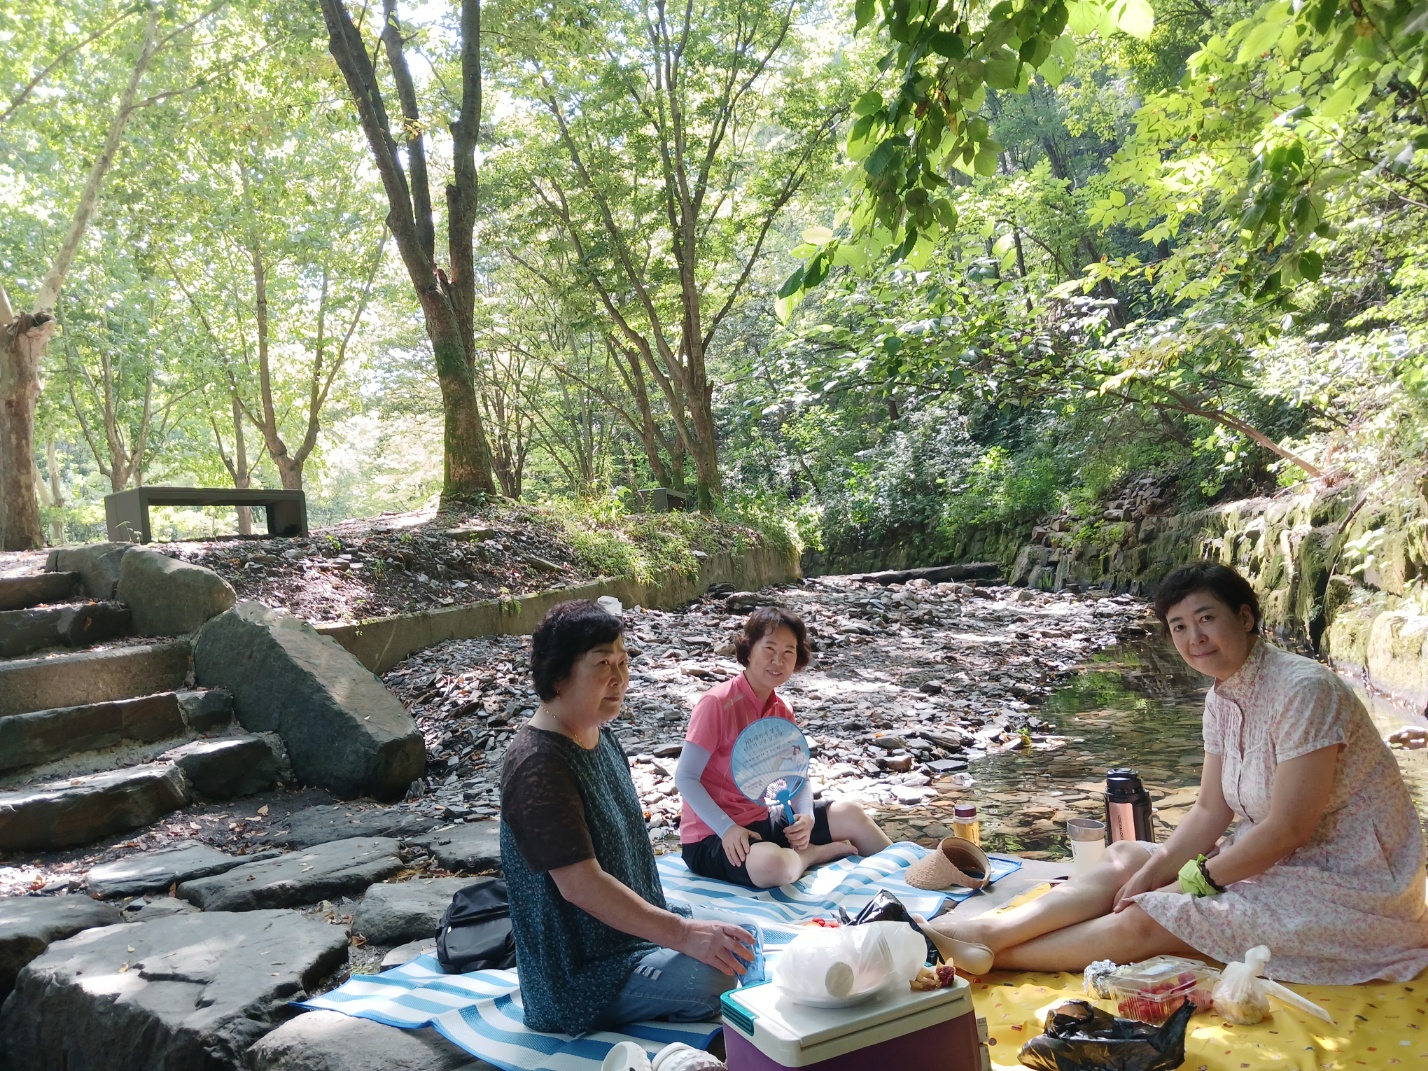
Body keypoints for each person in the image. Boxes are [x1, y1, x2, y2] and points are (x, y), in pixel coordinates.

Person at [926, 561, 1428, 984]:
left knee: (1151, 916)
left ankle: (990, 954)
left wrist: (1188, 882)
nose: (1195, 638)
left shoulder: (1304, 690)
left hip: (1351, 887)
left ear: (1245, 617)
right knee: (1127, 857)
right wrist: (1154, 871)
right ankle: (991, 934)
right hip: (1276, 866)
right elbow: (1210, 810)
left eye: (1206, 618)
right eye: (1180, 626)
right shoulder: (1221, 697)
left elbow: (1288, 829)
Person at [500, 600, 754, 1035]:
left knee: (741, 936)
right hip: (580, 974)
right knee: (718, 975)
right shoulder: (538, 765)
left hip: (629, 936)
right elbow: (580, 885)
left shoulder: (599, 734)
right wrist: (682, 934)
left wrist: (680, 931)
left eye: (623, 662)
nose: (619, 678)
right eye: (603, 664)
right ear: (558, 675)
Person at [675, 605, 891, 888]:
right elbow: (686, 777)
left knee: (850, 813)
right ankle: (810, 855)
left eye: (788, 652)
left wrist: (806, 817)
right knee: (771, 864)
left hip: (763, 819)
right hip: (712, 836)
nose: (778, 661)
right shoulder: (717, 704)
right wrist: (727, 829)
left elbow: (796, 775)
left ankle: (915, 873)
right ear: (748, 649)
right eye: (769, 649)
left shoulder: (781, 709)